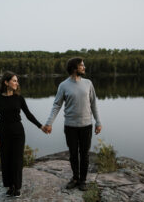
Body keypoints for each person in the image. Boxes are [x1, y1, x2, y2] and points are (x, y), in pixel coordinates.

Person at [44, 57, 102, 191]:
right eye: (82, 65)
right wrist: (49, 123)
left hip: (86, 126)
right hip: (70, 127)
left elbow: (94, 104)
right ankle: (75, 178)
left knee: (85, 154)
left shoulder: (88, 83)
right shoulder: (63, 85)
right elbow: (56, 105)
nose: (84, 67)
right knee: (73, 154)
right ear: (75, 68)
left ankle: (83, 180)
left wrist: (98, 122)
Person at [0, 71, 47, 197]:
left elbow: (28, 115)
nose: (17, 83)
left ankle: (17, 187)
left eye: (17, 81)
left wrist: (41, 126)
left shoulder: (19, 98)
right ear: (6, 82)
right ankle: (9, 186)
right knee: (6, 159)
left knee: (17, 160)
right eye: (14, 81)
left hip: (18, 132)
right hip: (3, 132)